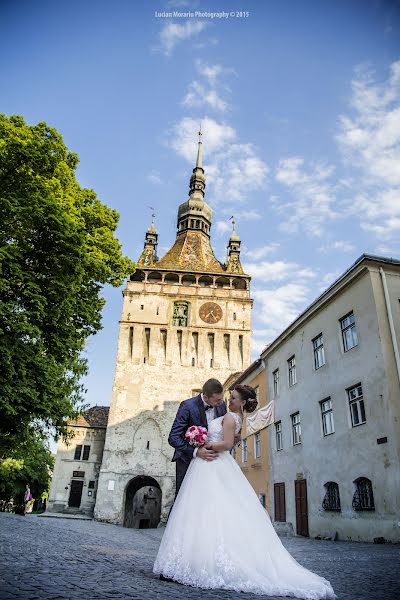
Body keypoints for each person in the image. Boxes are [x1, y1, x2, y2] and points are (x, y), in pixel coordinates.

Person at [154, 385, 336, 599]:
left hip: (212, 464)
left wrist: (208, 446)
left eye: (230, 398)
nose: (224, 401)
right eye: (223, 398)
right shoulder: (196, 407)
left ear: (240, 401)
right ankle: (183, 561)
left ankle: (198, 563)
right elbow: (177, 437)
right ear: (207, 395)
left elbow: (228, 440)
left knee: (209, 513)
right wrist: (196, 449)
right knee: (192, 512)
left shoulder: (228, 413)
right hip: (195, 462)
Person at [168, 378, 227, 497]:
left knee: (210, 498)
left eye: (221, 399)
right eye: (217, 400)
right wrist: (196, 452)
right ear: (205, 397)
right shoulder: (187, 406)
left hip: (213, 461)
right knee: (184, 499)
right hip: (187, 460)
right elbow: (173, 437)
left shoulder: (221, 406)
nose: (220, 402)